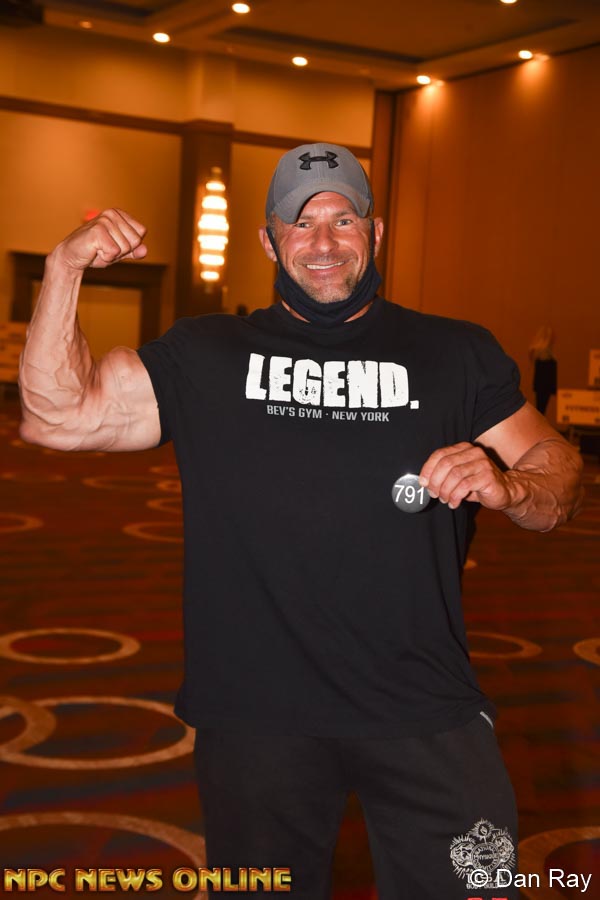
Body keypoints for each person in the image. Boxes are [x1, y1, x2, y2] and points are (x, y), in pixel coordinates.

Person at [19, 143, 583, 899]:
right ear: (268, 240)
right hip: (257, 717)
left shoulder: (453, 352)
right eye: (300, 222)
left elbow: (560, 473)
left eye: (343, 219)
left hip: (423, 705)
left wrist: (512, 486)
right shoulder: (207, 355)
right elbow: (57, 417)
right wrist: (63, 268)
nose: (323, 242)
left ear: (375, 233)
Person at [529, 325, 557, 415]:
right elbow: (547, 373)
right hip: (544, 386)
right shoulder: (545, 354)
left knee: (540, 408)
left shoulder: (539, 353)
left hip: (541, 386)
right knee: (541, 409)